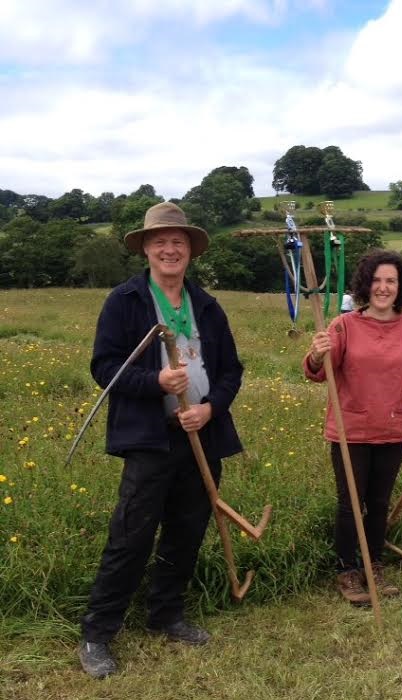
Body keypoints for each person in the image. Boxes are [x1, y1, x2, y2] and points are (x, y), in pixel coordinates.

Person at [78, 202, 244, 679]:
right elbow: (104, 368)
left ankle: (166, 613)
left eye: (178, 241)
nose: (170, 249)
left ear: (190, 250)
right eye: (160, 241)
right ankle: (97, 632)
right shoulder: (124, 301)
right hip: (151, 438)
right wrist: (154, 383)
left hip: (202, 435)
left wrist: (211, 407)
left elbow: (231, 371)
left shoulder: (207, 304)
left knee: (188, 529)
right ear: (146, 249)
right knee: (131, 533)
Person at [304, 249, 402, 605]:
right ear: (365, 284)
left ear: (400, 287)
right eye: (377, 280)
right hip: (350, 431)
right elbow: (318, 372)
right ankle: (346, 570)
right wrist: (315, 354)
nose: (383, 287)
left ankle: (373, 566)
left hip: (392, 431)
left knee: (379, 501)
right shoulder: (343, 326)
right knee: (351, 505)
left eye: (391, 281)